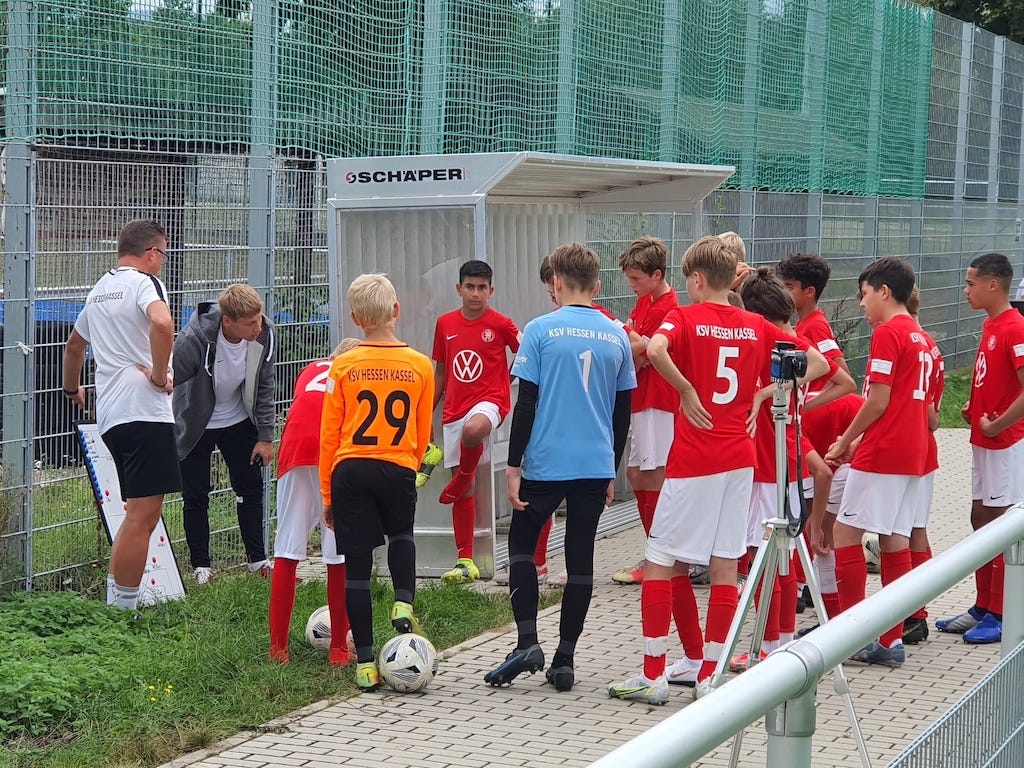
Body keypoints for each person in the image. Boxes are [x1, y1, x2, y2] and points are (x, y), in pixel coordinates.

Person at [608, 236, 828, 705]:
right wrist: (765, 392)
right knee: (725, 564)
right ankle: (711, 674)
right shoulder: (755, 323)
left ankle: (652, 674)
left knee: (661, 559)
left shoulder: (685, 316)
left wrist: (686, 390)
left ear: (696, 279)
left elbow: (658, 349)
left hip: (695, 457)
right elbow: (817, 361)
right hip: (740, 460)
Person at [483, 243, 635, 693]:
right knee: (580, 557)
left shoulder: (539, 330)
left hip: (546, 462)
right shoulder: (616, 335)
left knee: (522, 547)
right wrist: (610, 468)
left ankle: (528, 642)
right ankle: (565, 659)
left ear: (555, 282)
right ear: (597, 285)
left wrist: (513, 465)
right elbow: (622, 414)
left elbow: (526, 404)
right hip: (594, 465)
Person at [319, 274, 434, 691]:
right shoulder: (420, 365)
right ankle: (403, 600)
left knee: (357, 568)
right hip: (397, 465)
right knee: (401, 534)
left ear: (354, 318)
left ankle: (366, 663)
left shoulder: (343, 365)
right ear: (396, 310)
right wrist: (410, 466)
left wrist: (328, 494)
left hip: (350, 468)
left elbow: (329, 434)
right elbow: (422, 430)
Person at [725, 268, 841, 673]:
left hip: (767, 463)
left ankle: (769, 647)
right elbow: (825, 367)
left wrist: (765, 392)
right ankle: (784, 642)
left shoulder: (772, 337)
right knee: (784, 558)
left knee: (765, 560)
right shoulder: (789, 337)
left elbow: (824, 366)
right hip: (785, 461)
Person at [60, 219, 180, 612]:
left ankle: (119, 603)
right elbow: (162, 322)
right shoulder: (145, 283)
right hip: (144, 410)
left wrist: (72, 388)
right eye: (163, 254)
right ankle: (122, 611)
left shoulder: (99, 290)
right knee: (143, 516)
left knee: (138, 514)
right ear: (151, 252)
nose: (163, 261)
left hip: (112, 414)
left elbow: (74, 346)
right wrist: (159, 375)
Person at [824, 256, 933, 668]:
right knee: (895, 540)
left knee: (844, 532)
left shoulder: (889, 332)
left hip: (885, 452)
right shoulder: (921, 336)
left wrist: (845, 439)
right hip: (912, 452)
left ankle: (855, 634)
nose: (862, 303)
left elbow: (878, 401)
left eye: (865, 294)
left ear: (884, 291)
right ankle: (891, 639)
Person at [937, 252, 1024, 644]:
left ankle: (1003, 612)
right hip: (984, 438)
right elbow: (997, 378)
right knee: (980, 518)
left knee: (1001, 523)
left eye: (971, 284)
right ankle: (982, 604)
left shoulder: (1015, 327)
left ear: (993, 284)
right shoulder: (991, 324)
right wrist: (975, 406)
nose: (965, 290)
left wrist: (998, 423)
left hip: (1007, 442)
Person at [172, 284, 276, 583]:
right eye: (250, 323)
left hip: (239, 418)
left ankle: (258, 561)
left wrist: (265, 436)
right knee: (196, 495)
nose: (258, 327)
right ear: (227, 321)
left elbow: (266, 385)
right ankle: (201, 568)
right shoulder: (193, 340)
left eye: (259, 319)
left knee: (250, 490)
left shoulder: (266, 332)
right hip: (196, 423)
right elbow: (168, 379)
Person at [268, 338, 361, 666]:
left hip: (294, 452)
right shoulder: (355, 373)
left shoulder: (310, 370)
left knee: (287, 548)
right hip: (332, 454)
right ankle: (338, 649)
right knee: (338, 553)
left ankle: (278, 650)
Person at [431, 260, 520, 584]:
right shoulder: (445, 323)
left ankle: (464, 474)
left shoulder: (501, 323)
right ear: (459, 288)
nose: (475, 293)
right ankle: (465, 561)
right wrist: (426, 413)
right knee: (464, 491)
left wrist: (506, 382)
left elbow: (527, 353)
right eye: (470, 287)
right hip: (454, 407)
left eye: (482, 288)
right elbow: (441, 371)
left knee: (474, 430)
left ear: (490, 291)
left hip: (491, 401)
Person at [611, 236, 679, 586]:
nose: (631, 284)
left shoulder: (667, 307)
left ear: (656, 275)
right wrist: (634, 344)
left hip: (659, 400)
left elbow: (642, 354)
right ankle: (657, 552)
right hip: (642, 398)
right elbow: (634, 351)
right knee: (637, 474)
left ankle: (662, 556)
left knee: (654, 475)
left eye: (636, 278)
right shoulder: (645, 302)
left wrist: (632, 341)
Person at [902, 287, 943, 645]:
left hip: (909, 448)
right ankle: (915, 613)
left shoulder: (910, 343)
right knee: (915, 528)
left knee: (906, 531)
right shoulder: (929, 343)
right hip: (921, 448)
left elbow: (929, 415)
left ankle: (914, 614)